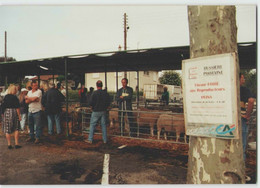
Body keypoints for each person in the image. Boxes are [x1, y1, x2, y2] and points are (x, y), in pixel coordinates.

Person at [1, 84, 22, 149]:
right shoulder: (15, 97)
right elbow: (17, 107)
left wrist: (2, 114)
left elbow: (2, 106)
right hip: (14, 112)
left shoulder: (5, 97)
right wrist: (19, 116)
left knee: (7, 129)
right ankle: (16, 143)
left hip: (6, 112)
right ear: (14, 90)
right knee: (16, 128)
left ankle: (9, 144)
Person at [240, 73, 255, 160]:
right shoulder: (244, 90)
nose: (244, 80)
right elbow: (251, 101)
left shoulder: (227, 88)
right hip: (242, 118)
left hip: (229, 119)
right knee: (242, 143)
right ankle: (241, 164)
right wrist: (247, 115)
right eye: (242, 78)